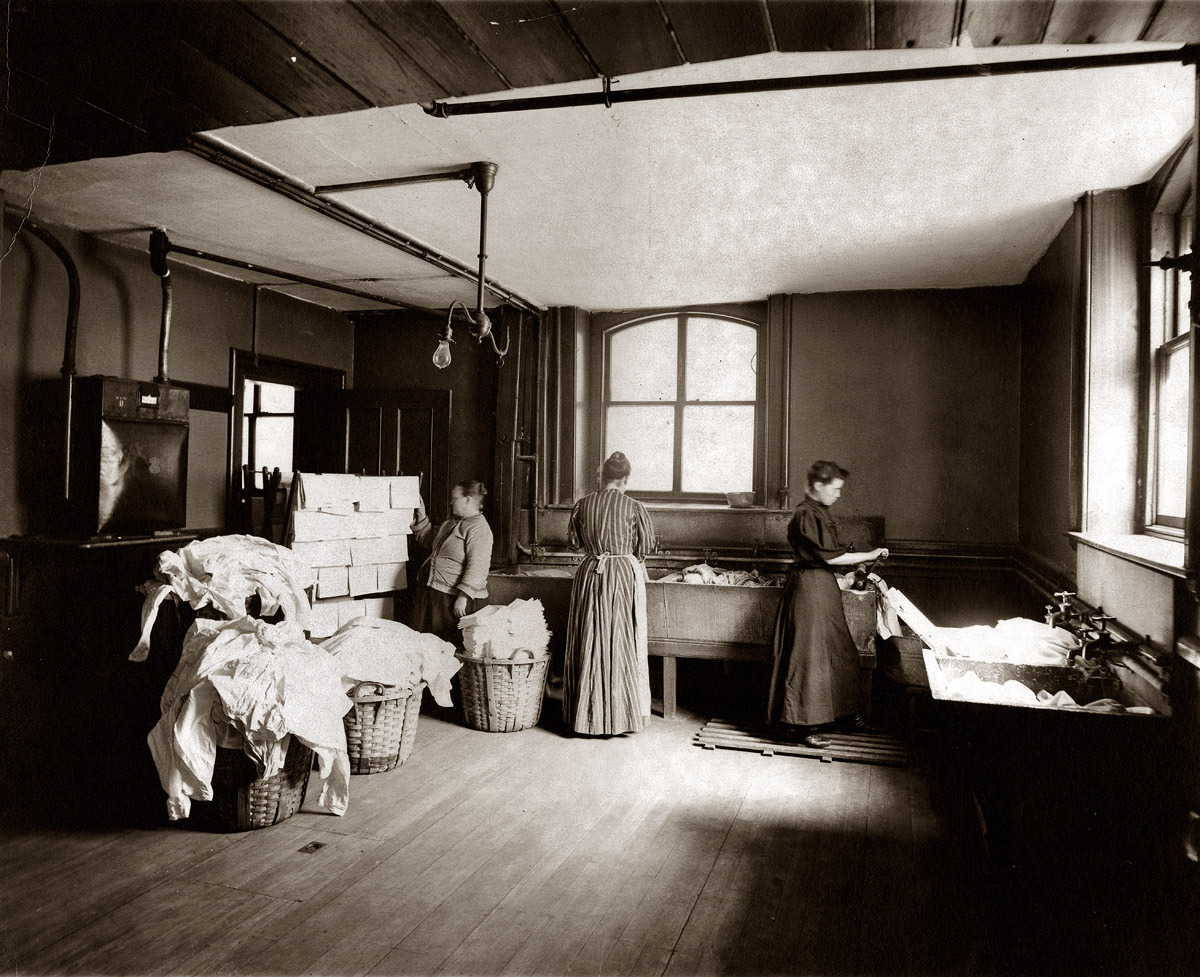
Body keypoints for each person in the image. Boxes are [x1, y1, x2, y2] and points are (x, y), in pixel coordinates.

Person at [767, 460, 889, 748]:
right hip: (810, 590)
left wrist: (865, 557)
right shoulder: (805, 514)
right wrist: (869, 554)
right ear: (818, 486)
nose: (838, 494)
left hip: (823, 588)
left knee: (840, 651)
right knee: (809, 658)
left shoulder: (819, 511)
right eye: (834, 489)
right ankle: (800, 725)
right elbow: (831, 558)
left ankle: (846, 716)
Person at [562, 451, 655, 736]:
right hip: (622, 576)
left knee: (589, 637)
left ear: (601, 477)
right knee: (620, 641)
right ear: (626, 479)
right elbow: (645, 548)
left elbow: (574, 543)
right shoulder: (635, 506)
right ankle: (618, 718)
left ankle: (585, 718)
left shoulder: (583, 504)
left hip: (590, 572)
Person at [409, 480, 494, 645]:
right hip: (435, 595)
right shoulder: (451, 523)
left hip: (451, 600)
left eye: (455, 498)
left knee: (445, 646)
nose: (451, 502)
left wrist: (463, 597)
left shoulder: (479, 529)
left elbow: (478, 567)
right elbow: (429, 541)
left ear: (468, 500)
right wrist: (421, 515)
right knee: (427, 645)